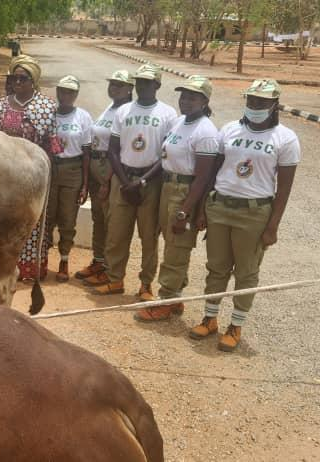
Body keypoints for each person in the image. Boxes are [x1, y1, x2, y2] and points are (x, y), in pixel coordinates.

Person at [192, 79, 299, 352]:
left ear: (274, 104)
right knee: (216, 267)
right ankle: (210, 318)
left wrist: (272, 226)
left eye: (261, 102)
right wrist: (204, 208)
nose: (255, 106)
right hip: (220, 208)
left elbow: (284, 189)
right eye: (251, 100)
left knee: (246, 273)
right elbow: (214, 173)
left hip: (254, 213)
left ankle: (235, 325)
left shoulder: (285, 139)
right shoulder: (229, 130)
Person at [135, 75, 219, 322]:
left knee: (177, 247)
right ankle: (175, 297)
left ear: (204, 101)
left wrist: (186, 211)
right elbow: (164, 158)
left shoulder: (205, 131)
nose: (186, 101)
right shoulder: (180, 122)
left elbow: (203, 178)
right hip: (167, 187)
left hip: (185, 192)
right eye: (184, 96)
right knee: (171, 241)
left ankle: (166, 299)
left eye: (193, 97)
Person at [94, 64, 178, 301]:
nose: (142, 86)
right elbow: (112, 150)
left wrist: (141, 182)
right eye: (139, 81)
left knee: (148, 235)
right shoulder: (124, 111)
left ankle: (145, 285)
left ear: (157, 85)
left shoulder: (168, 114)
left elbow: (166, 154)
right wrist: (124, 182)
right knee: (116, 233)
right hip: (123, 178)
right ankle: (114, 279)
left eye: (147, 82)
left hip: (150, 181)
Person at [0, 54, 62, 281]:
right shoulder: (1, 105)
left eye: (23, 78)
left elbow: (53, 145)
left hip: (33, 175)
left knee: (31, 220)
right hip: (4, 175)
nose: (18, 82)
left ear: (33, 80)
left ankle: (29, 267)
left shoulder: (47, 107)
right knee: (3, 220)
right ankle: (2, 265)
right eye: (14, 78)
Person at [76, 70, 134, 286]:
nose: (114, 88)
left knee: (112, 222)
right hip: (96, 164)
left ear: (130, 89)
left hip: (109, 168)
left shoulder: (128, 111)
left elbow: (120, 149)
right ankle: (98, 261)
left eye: (119, 85)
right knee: (98, 218)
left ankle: (110, 268)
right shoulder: (111, 107)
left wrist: (107, 179)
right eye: (112, 84)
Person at [49, 75, 93, 282]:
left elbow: (87, 153)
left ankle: (64, 260)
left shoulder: (83, 117)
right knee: (46, 217)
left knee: (67, 219)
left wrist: (85, 185)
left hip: (73, 170)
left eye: (70, 92)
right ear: (57, 92)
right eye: (62, 91)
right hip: (50, 169)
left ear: (75, 95)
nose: (65, 95)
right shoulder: (49, 114)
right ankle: (41, 259)